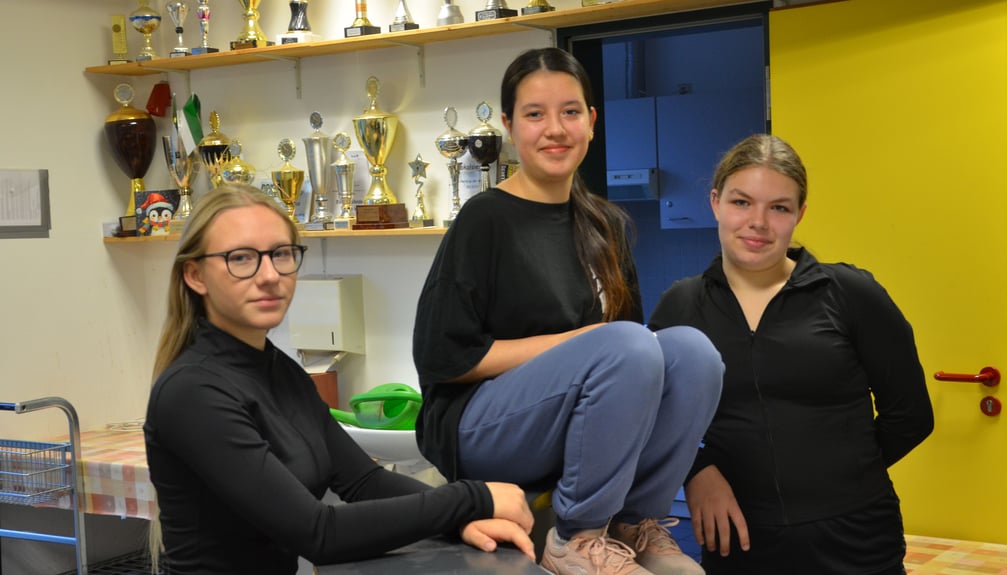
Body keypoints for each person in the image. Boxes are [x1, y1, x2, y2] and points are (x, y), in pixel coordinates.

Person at [412, 47, 724, 575]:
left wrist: (600, 348)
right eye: (535, 114)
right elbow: (443, 358)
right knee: (625, 343)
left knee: (693, 353)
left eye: (570, 112)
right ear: (510, 126)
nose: (555, 129)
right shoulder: (485, 219)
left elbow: (638, 361)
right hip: (477, 429)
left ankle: (632, 521)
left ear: (592, 122)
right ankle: (576, 536)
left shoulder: (606, 223)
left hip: (571, 417)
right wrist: (579, 344)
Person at [144, 184, 535, 575]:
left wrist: (460, 521)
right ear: (195, 276)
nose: (270, 275)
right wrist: (470, 499)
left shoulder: (281, 371)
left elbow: (364, 481)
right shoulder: (192, 391)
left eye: (281, 254)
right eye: (241, 258)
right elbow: (318, 533)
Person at [647, 134, 934, 575]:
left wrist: (845, 478)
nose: (758, 222)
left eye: (779, 207)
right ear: (715, 203)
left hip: (857, 541)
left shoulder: (851, 294)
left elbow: (911, 415)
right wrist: (697, 471)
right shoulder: (680, 307)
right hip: (737, 542)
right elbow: (652, 417)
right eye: (741, 202)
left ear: (799, 214)